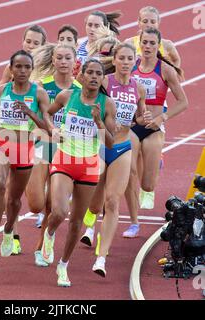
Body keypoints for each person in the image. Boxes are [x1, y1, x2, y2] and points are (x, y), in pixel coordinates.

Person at [41, 58, 116, 286]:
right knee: (60, 211)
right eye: (90, 72)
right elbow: (47, 113)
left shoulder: (106, 104)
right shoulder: (67, 96)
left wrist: (98, 122)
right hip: (64, 159)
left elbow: (110, 143)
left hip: (89, 166)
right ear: (81, 76)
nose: (94, 77)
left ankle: (63, 265)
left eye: (98, 74)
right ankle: (49, 233)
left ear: (102, 78)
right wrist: (53, 129)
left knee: (76, 222)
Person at [81, 43, 148, 277]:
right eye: (122, 58)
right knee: (95, 198)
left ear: (135, 61)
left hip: (122, 146)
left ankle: (101, 257)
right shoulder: (105, 82)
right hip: (99, 144)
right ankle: (90, 220)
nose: (126, 62)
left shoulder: (139, 88)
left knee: (112, 201)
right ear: (116, 60)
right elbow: (86, 100)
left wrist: (142, 118)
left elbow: (139, 116)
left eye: (131, 58)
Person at [0, 50, 50, 261]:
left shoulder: (39, 94)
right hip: (3, 143)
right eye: (18, 66)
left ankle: (9, 229)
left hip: (25, 147)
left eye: (27, 67)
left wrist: (30, 113)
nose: (22, 70)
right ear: (11, 69)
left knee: (15, 201)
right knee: (0, 184)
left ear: (32, 69)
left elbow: (47, 126)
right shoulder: (1, 91)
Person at [123, 27, 188, 238]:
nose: (148, 46)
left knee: (147, 184)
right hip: (132, 126)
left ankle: (154, 165)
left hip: (154, 129)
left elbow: (183, 102)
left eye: (152, 43)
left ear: (158, 46)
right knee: (129, 173)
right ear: (139, 43)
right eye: (145, 42)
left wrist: (161, 118)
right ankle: (134, 222)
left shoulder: (165, 70)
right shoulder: (131, 66)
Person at [26, 44, 81, 267]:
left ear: (75, 61)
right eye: (59, 58)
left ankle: (41, 247)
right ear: (54, 60)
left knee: (51, 206)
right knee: (36, 205)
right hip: (41, 145)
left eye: (68, 58)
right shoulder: (42, 86)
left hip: (66, 150)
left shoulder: (80, 91)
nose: (63, 62)